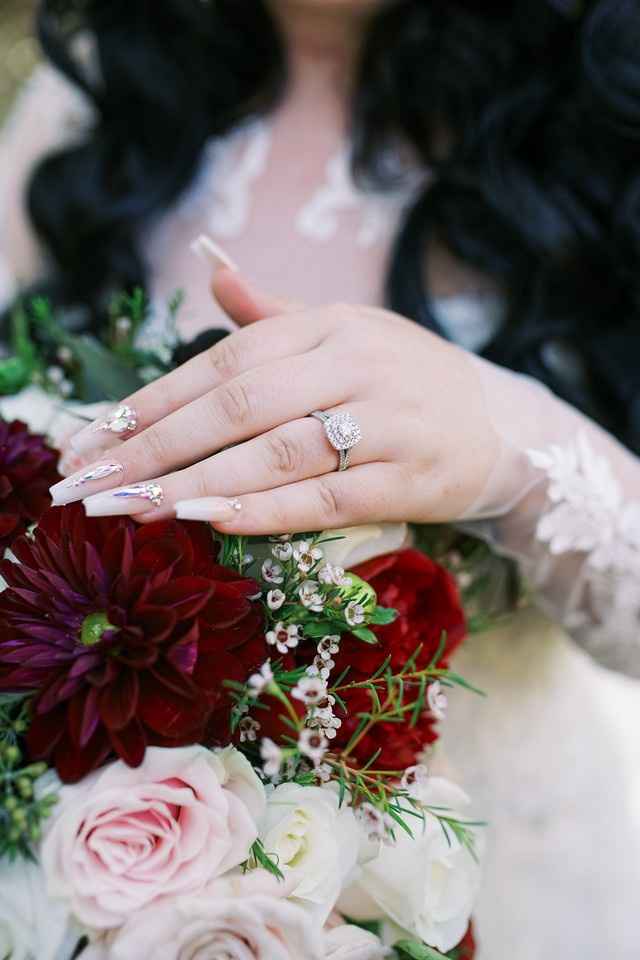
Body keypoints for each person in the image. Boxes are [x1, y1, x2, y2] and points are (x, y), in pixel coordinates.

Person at [1, 1, 639, 956]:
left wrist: (510, 449)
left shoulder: (611, 108)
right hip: (120, 877)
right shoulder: (99, 84)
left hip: (497, 884)